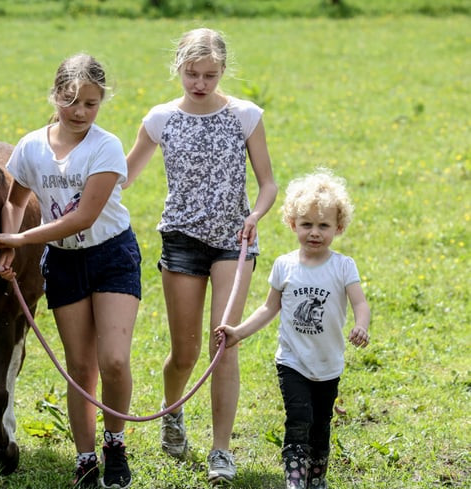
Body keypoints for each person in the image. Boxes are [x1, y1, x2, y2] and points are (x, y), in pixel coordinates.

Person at [0, 53, 140, 489]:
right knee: (80, 366)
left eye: (91, 103)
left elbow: (84, 217)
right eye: (71, 100)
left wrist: (20, 241)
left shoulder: (104, 147)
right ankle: (85, 458)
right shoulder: (32, 146)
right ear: (55, 95)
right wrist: (7, 248)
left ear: (102, 102)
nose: (81, 112)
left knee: (115, 360)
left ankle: (114, 443)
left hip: (112, 255)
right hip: (64, 262)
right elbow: (14, 202)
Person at [124, 27, 277, 483]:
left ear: (223, 71)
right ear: (179, 69)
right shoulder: (160, 119)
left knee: (224, 343)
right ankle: (172, 418)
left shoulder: (245, 116)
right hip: (181, 241)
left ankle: (221, 451)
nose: (200, 83)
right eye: (192, 73)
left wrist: (257, 216)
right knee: (185, 353)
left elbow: (268, 182)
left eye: (210, 74)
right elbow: (123, 175)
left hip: (235, 240)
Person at [216, 169, 371, 489]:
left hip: (329, 363)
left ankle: (317, 476)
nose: (315, 232)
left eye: (324, 225)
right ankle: (295, 477)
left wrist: (361, 326)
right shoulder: (285, 265)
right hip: (292, 361)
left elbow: (360, 304)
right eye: (307, 224)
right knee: (298, 419)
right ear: (293, 224)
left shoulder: (343, 266)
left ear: (338, 227)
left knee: (321, 424)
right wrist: (239, 332)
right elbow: (269, 307)